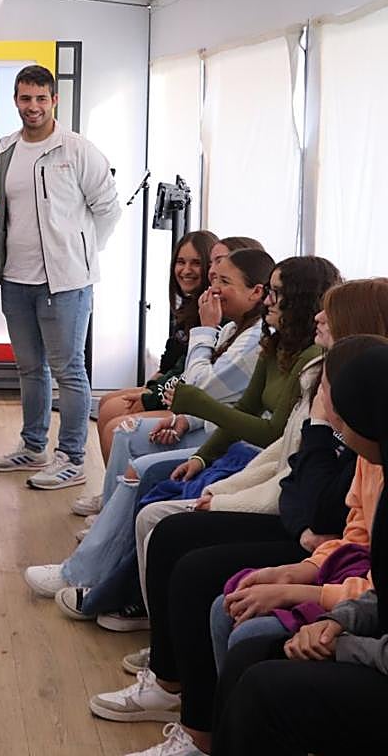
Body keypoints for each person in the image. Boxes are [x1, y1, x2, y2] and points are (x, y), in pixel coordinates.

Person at [23, 249, 274, 603]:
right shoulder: (233, 327)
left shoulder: (251, 339)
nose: (213, 289)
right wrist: (184, 417)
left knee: (140, 463)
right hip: (208, 426)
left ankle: (85, 570)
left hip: (229, 441)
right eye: (214, 279)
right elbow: (200, 388)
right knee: (126, 430)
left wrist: (203, 331)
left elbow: (203, 387)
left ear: (257, 293)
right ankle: (106, 535)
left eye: (224, 281)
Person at [211, 342, 388, 756]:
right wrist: (340, 621)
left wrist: (337, 640)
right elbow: (294, 486)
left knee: (261, 679)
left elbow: (316, 505)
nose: (329, 412)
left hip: (375, 652)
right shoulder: (374, 455)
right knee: (246, 643)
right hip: (364, 624)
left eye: (332, 396)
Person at [0, 63, 123, 490]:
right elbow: (1, 206)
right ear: (15, 101)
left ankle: (72, 457)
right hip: (16, 279)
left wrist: (78, 255)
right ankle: (32, 446)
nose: (33, 107)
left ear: (54, 100)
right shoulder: (5, 148)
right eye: (25, 99)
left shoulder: (77, 149)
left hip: (65, 283)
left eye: (41, 99)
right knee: (30, 369)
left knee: (69, 371)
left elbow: (109, 208)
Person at [76, 235, 260, 519]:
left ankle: (115, 507)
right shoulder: (207, 312)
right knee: (111, 407)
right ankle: (113, 501)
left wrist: (155, 397)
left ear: (254, 290)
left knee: (118, 419)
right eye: (182, 262)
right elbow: (177, 367)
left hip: (209, 424)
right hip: (194, 411)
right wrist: (156, 391)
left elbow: (203, 386)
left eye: (220, 269)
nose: (209, 272)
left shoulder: (232, 325)